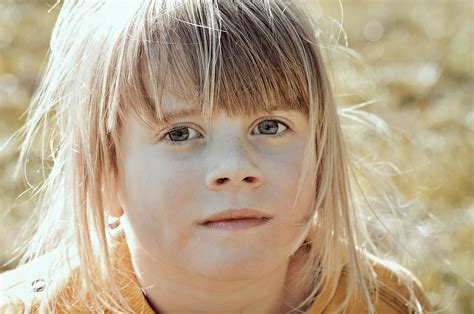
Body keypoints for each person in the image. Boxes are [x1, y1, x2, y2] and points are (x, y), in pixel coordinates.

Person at [0, 0, 431, 313]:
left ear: (320, 153)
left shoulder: (383, 301)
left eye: (269, 127)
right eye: (181, 133)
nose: (235, 168)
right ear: (107, 172)